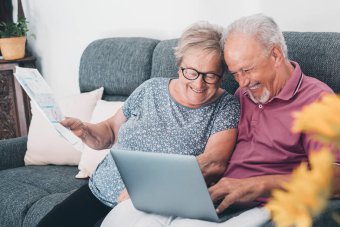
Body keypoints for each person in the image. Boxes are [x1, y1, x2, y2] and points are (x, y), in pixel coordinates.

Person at [100, 14, 340, 227]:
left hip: (255, 205)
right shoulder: (243, 95)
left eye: (247, 70)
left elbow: (333, 182)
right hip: (209, 196)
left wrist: (257, 185)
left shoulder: (318, 101)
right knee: (125, 216)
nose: (241, 84)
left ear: (275, 55)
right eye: (235, 73)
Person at [36, 21, 240, 227]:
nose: (199, 83)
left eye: (210, 75)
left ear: (221, 75)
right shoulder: (150, 89)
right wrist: (85, 130)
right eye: (192, 72)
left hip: (151, 207)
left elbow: (213, 163)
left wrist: (146, 190)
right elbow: (110, 132)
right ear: (179, 67)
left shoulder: (226, 106)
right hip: (99, 190)